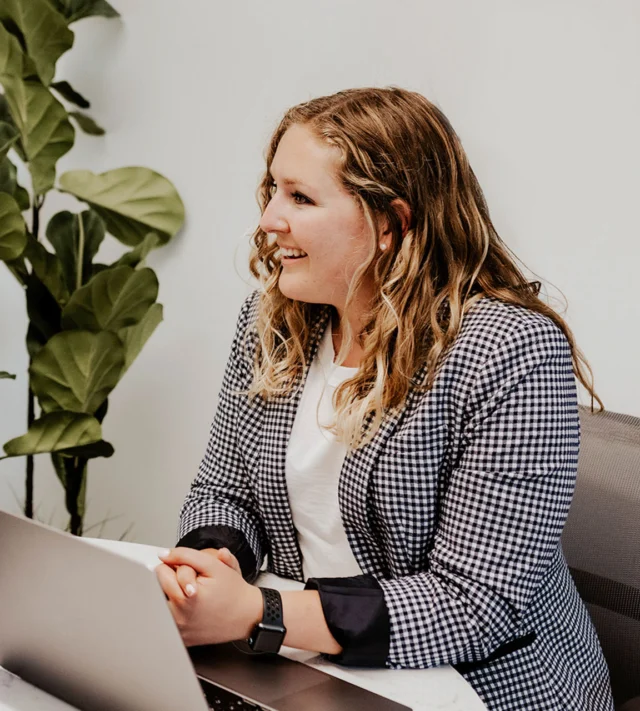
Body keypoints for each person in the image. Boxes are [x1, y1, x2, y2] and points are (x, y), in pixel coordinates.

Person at [155, 86, 614, 710]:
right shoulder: (273, 322)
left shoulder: (509, 348)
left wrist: (261, 613)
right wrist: (210, 568)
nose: (268, 220)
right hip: (307, 669)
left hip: (476, 685)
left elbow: (477, 604)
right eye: (273, 191)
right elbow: (223, 491)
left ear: (392, 224)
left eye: (300, 198)